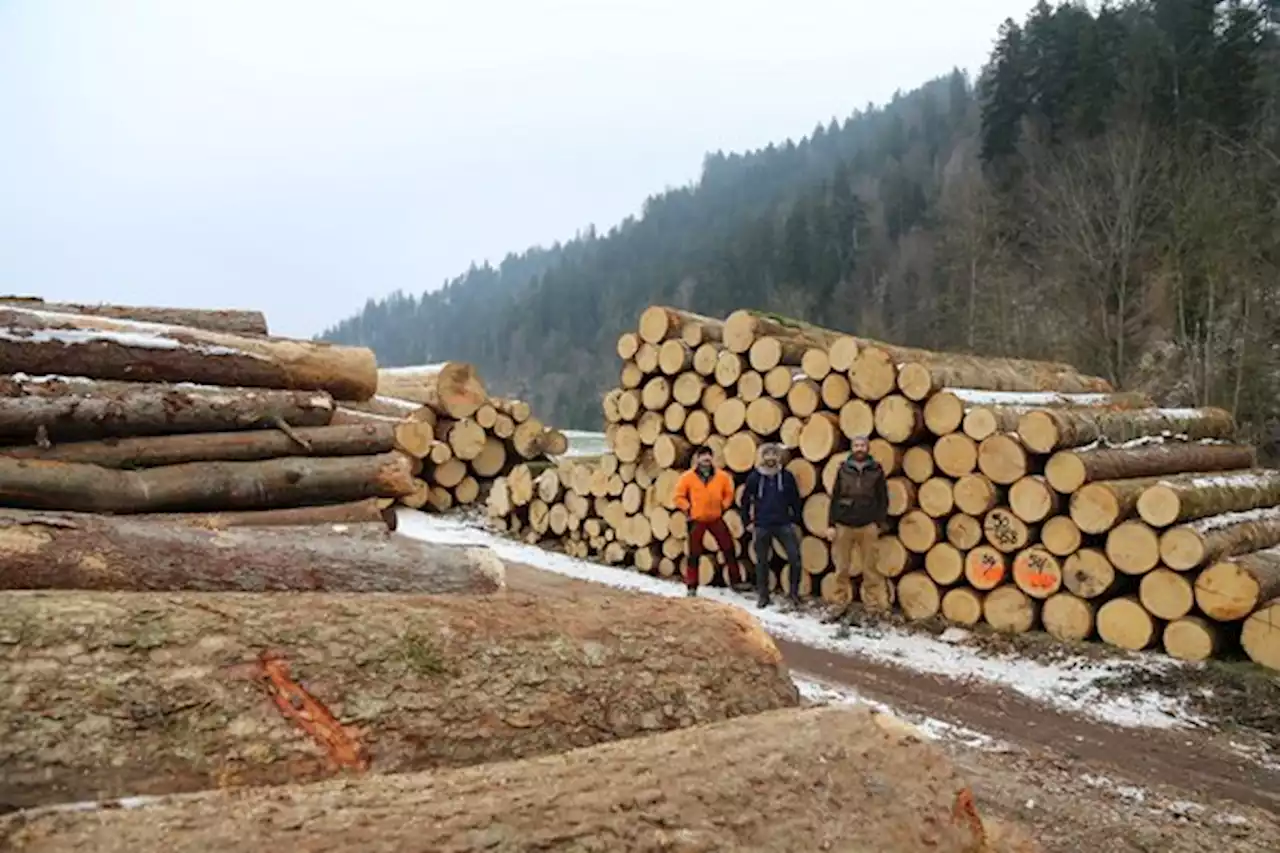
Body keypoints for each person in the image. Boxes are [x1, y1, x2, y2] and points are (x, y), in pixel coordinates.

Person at [824, 435, 891, 624]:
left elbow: (883, 499)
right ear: (851, 448)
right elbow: (835, 497)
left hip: (867, 525)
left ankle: (872, 607)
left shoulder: (876, 470)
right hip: (844, 524)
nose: (859, 448)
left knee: (870, 569)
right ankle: (839, 603)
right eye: (856, 445)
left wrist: (878, 522)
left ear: (867, 448)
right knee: (841, 568)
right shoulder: (843, 469)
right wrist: (830, 524)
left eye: (862, 445)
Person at [673, 446, 747, 597]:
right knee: (694, 554)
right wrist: (688, 508)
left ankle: (736, 581)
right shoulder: (688, 477)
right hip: (697, 519)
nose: (706, 459)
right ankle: (692, 585)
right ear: (697, 459)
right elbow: (678, 496)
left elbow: (729, 492)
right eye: (703, 456)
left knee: (728, 548)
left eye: (708, 456)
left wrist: (723, 505)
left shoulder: (722, 476)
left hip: (716, 518)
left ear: (712, 458)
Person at [740, 442, 803, 611]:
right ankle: (763, 595)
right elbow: (745, 501)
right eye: (767, 455)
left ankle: (793, 594)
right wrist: (746, 522)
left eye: (774, 454)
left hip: (783, 523)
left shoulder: (786, 476)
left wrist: (795, 519)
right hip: (762, 525)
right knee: (762, 562)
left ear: (778, 457)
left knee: (794, 558)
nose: (770, 458)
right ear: (763, 457)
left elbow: (795, 499)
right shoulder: (755, 477)